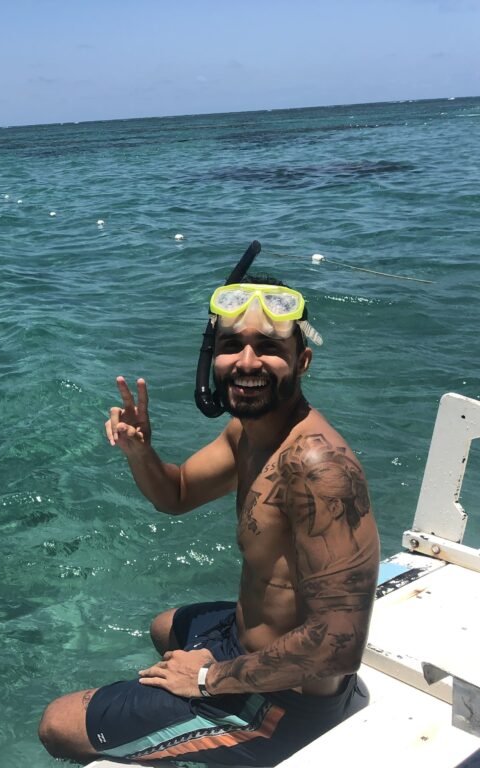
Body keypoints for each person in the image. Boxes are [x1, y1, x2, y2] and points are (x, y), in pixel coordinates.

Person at [38, 242, 380, 766]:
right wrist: (140, 452)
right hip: (250, 646)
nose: (246, 362)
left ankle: (227, 738)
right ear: (212, 356)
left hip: (290, 703)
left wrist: (205, 678)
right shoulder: (249, 432)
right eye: (231, 345)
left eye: (268, 347)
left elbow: (339, 646)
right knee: (164, 626)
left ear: (302, 360)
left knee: (57, 724)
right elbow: (175, 494)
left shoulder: (318, 468)